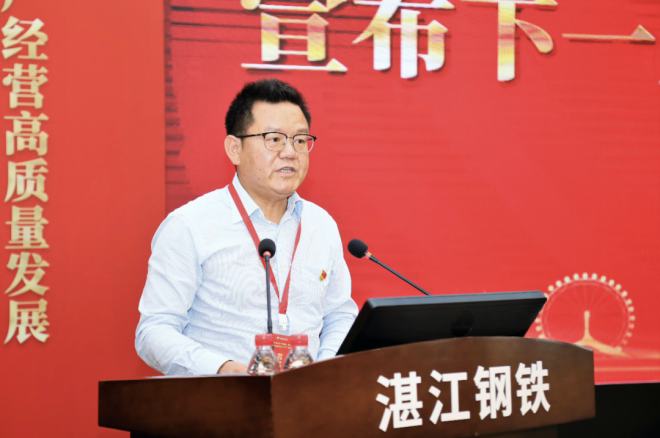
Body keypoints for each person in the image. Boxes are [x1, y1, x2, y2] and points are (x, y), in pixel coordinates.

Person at [135, 78, 358, 376]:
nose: (290, 152)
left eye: (300, 140)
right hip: (221, 397)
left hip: (308, 399)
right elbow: (154, 330)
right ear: (234, 149)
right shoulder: (189, 225)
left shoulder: (321, 224)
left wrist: (325, 367)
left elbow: (339, 315)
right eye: (274, 139)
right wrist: (222, 369)